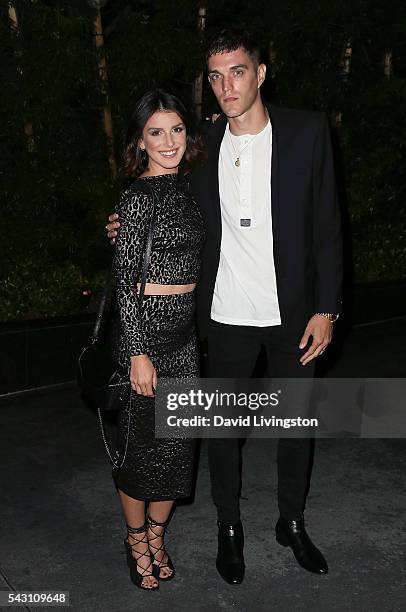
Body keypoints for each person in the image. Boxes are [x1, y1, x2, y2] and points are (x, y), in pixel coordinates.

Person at [107, 29, 343, 585]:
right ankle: (228, 528)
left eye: (237, 71)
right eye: (214, 76)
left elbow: (329, 227)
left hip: (294, 316)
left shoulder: (308, 132)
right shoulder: (201, 143)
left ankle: (291, 521)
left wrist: (327, 309)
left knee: (295, 427)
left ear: (260, 73)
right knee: (221, 433)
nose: (225, 85)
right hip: (225, 317)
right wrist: (119, 224)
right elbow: (152, 193)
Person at [111, 88, 205, 590]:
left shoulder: (195, 189)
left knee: (177, 451)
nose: (168, 141)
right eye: (155, 132)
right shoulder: (135, 197)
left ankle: (157, 534)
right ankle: (135, 540)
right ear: (141, 141)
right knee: (139, 451)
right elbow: (126, 283)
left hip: (186, 341)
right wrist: (138, 353)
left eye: (176, 129)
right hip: (145, 339)